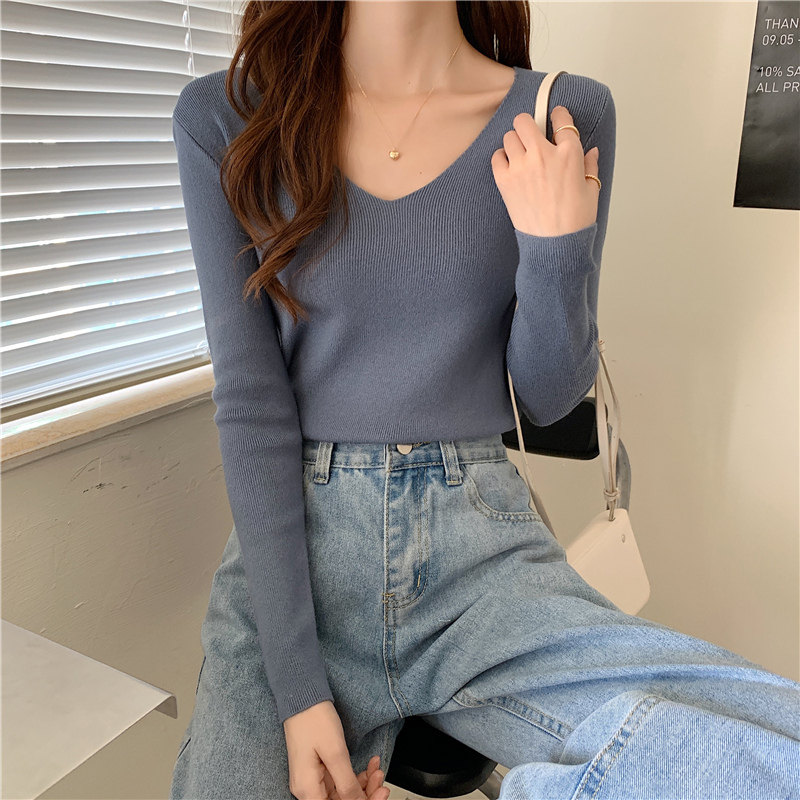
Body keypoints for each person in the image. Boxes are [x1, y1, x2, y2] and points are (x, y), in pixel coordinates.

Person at [168, 2, 800, 799]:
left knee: (773, 748)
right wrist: (299, 692)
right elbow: (251, 402)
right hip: (298, 560)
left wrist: (555, 247)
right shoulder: (227, 117)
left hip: (479, 555)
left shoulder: (560, 114)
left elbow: (546, 397)